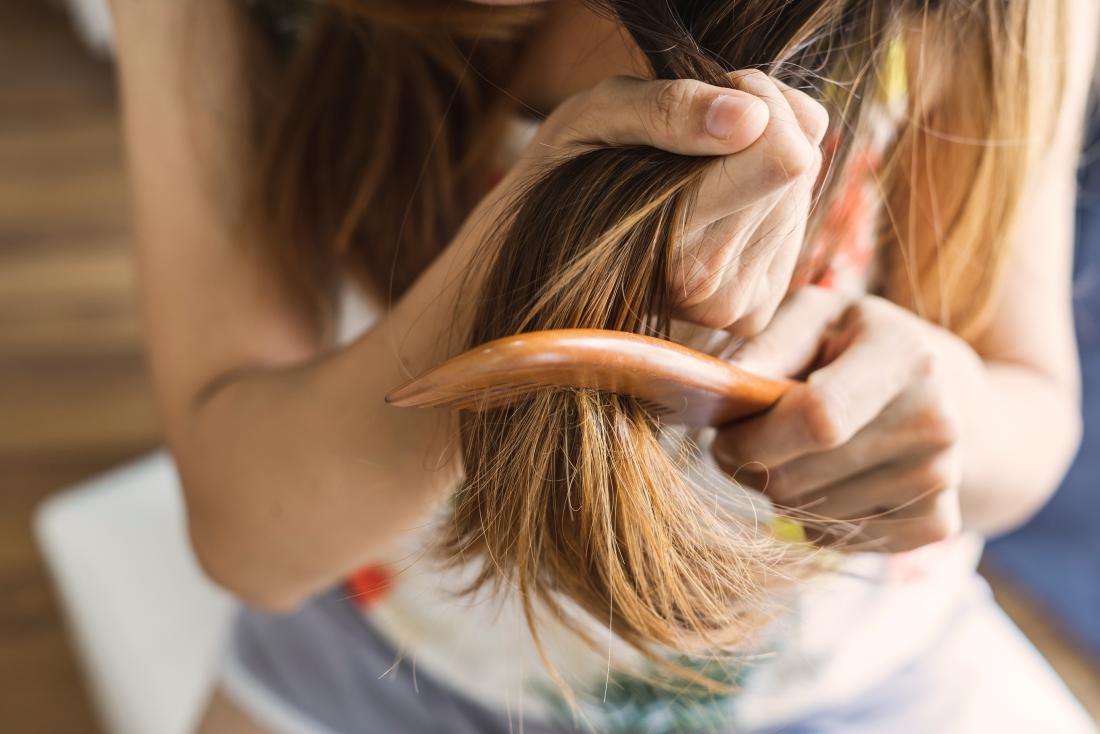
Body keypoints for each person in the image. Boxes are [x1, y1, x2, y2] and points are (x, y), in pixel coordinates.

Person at [105, 0, 1098, 732]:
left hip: (846, 686)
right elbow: (249, 538)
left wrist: (946, 419)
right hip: (373, 673)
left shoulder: (983, 17)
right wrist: (526, 251)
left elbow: (1029, 412)